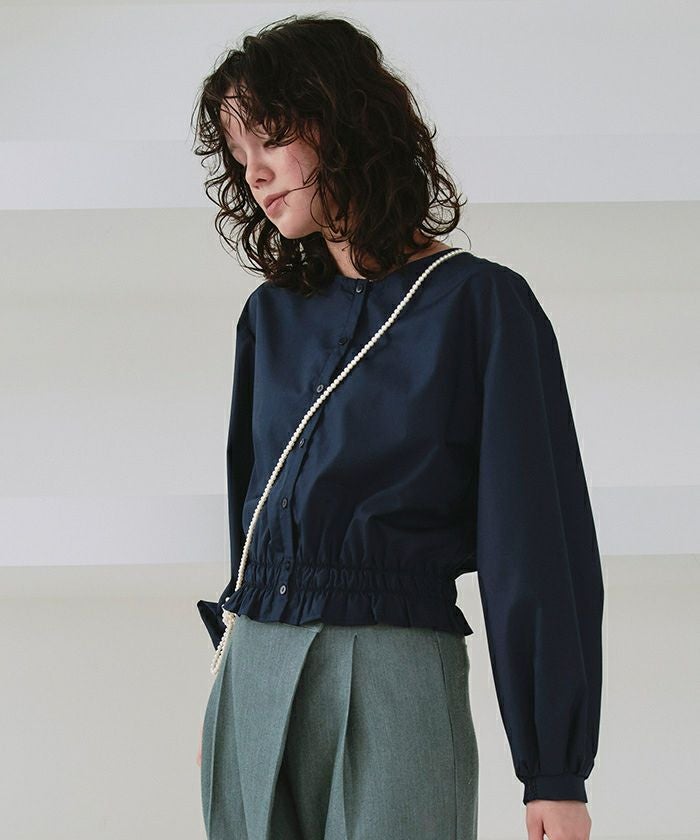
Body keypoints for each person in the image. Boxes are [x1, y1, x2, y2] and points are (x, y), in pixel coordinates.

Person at [191, 13, 603, 840]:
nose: (255, 173)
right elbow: (250, 511)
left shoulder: (480, 305)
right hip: (254, 673)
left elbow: (534, 542)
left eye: (270, 138)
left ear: (340, 120)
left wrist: (552, 771)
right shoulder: (270, 318)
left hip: (391, 668)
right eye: (239, 155)